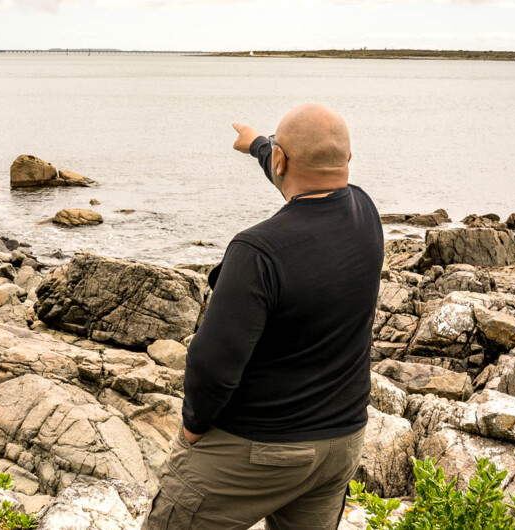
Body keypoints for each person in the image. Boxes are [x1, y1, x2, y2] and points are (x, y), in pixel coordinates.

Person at [143, 103, 384, 530]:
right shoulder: (366, 214)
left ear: (281, 160)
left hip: (261, 448)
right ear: (348, 160)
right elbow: (301, 176)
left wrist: (193, 429)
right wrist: (256, 143)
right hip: (341, 443)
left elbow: (213, 363)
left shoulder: (257, 252)